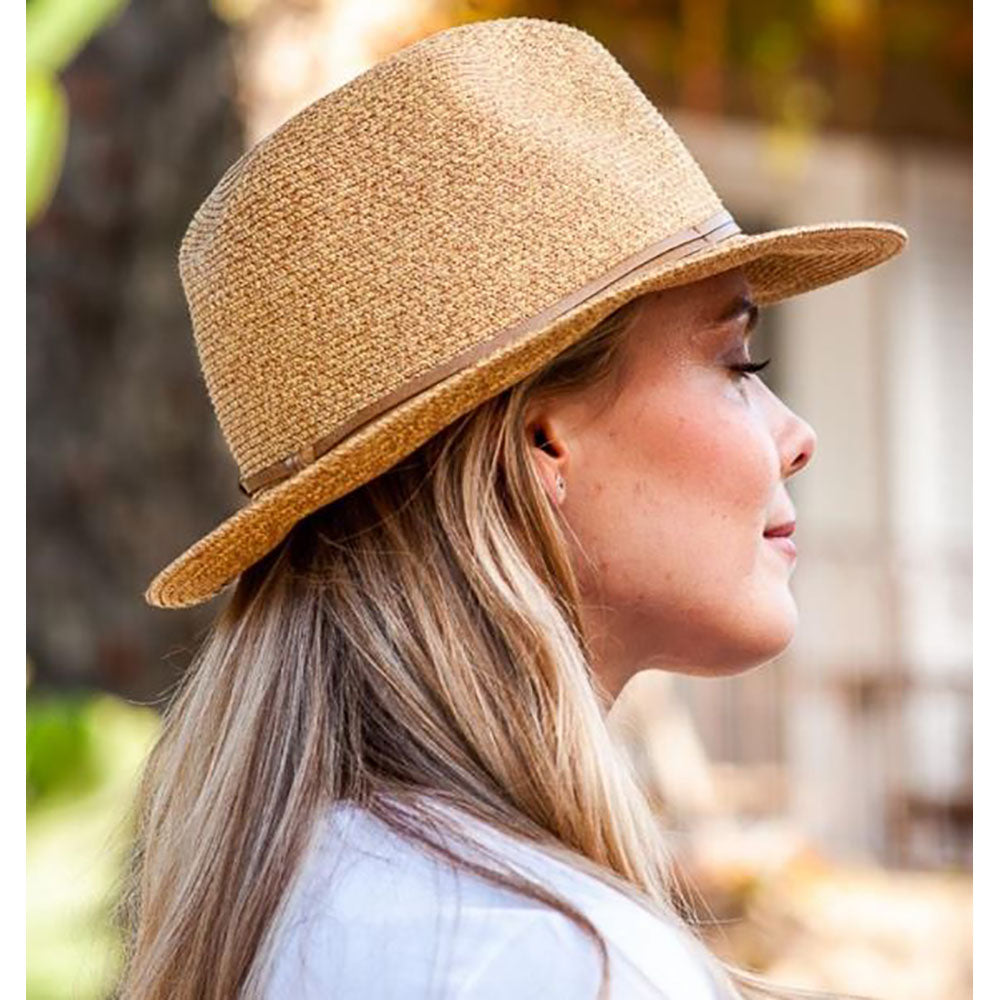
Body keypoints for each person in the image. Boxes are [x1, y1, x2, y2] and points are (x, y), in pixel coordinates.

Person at [115, 16, 906, 1000]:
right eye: (738, 362)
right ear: (542, 445)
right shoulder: (551, 956)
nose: (796, 434)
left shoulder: (317, 897)